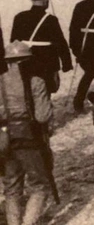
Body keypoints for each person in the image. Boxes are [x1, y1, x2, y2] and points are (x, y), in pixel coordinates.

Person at [1, 41, 55, 225]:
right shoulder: (36, 81)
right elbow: (42, 116)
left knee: (11, 188)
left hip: (4, 139)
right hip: (29, 138)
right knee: (40, 185)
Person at [11, 0, 71, 95]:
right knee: (44, 93)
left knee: (28, 92)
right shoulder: (50, 19)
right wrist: (66, 63)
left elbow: (13, 42)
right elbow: (60, 43)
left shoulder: (19, 17)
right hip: (46, 62)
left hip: (25, 62)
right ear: (45, 0)